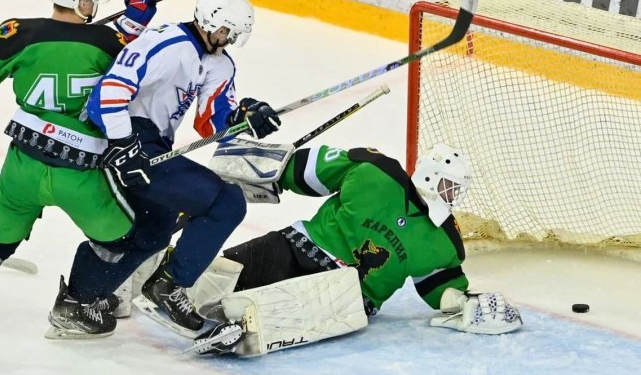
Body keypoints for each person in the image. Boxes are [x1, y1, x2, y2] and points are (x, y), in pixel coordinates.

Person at [57, 0, 282, 337]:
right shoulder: (167, 44)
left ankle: (78, 301)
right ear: (208, 21)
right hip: (124, 140)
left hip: (153, 144)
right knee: (227, 201)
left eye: (233, 35)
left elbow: (211, 122)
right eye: (225, 31)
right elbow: (108, 93)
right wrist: (123, 143)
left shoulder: (219, 63)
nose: (228, 39)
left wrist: (244, 116)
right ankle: (169, 285)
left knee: (154, 231)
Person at [0, 0, 157, 338]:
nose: (96, 3)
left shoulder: (17, 32)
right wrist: (132, 30)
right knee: (123, 240)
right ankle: (79, 302)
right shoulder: (109, 43)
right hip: (80, 177)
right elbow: (137, 82)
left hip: (21, 169)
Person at [179, 141, 523, 356]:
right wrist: (267, 170)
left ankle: (238, 323)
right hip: (300, 246)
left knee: (269, 307)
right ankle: (159, 279)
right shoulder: (376, 171)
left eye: (456, 190)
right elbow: (309, 169)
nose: (452, 196)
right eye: (450, 186)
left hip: (347, 294)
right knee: (215, 274)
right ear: (431, 176)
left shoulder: (443, 238)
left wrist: (461, 302)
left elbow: (439, 283)